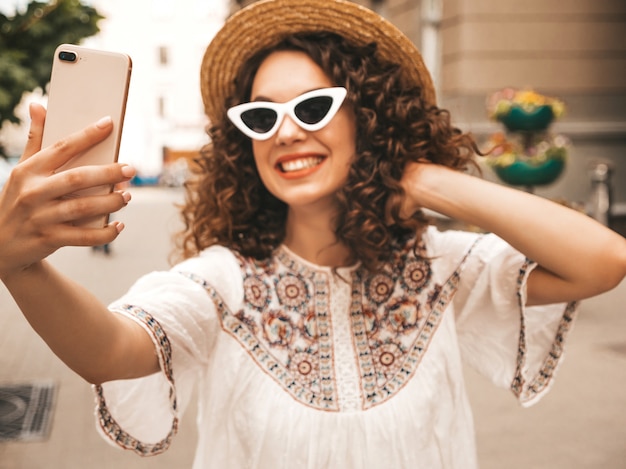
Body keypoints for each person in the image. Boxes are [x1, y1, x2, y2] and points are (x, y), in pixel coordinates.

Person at [1, 0, 625, 467]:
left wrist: (426, 180)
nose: (286, 131)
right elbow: (108, 351)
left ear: (368, 118)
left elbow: (601, 260)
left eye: (313, 107)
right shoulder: (222, 280)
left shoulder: (438, 267)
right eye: (263, 115)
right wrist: (19, 266)